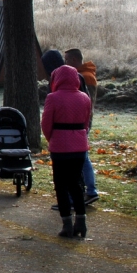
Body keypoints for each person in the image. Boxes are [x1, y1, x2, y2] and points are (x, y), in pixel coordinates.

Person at [42, 49, 99, 210]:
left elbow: (47, 119)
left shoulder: (58, 85)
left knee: (65, 172)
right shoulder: (78, 78)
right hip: (80, 127)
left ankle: (71, 201)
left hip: (65, 131)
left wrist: (51, 136)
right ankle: (84, 195)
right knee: (80, 161)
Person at [42, 64, 92, 238]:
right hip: (79, 145)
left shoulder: (53, 98)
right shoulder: (85, 98)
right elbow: (86, 123)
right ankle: (81, 222)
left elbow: (46, 124)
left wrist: (52, 139)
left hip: (60, 146)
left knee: (61, 185)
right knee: (76, 184)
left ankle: (67, 225)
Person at [65, 48, 99, 205]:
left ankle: (89, 190)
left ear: (73, 60)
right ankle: (86, 189)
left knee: (82, 158)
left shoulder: (86, 77)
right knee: (82, 157)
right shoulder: (82, 75)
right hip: (81, 122)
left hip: (81, 123)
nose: (65, 64)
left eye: (66, 60)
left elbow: (87, 103)